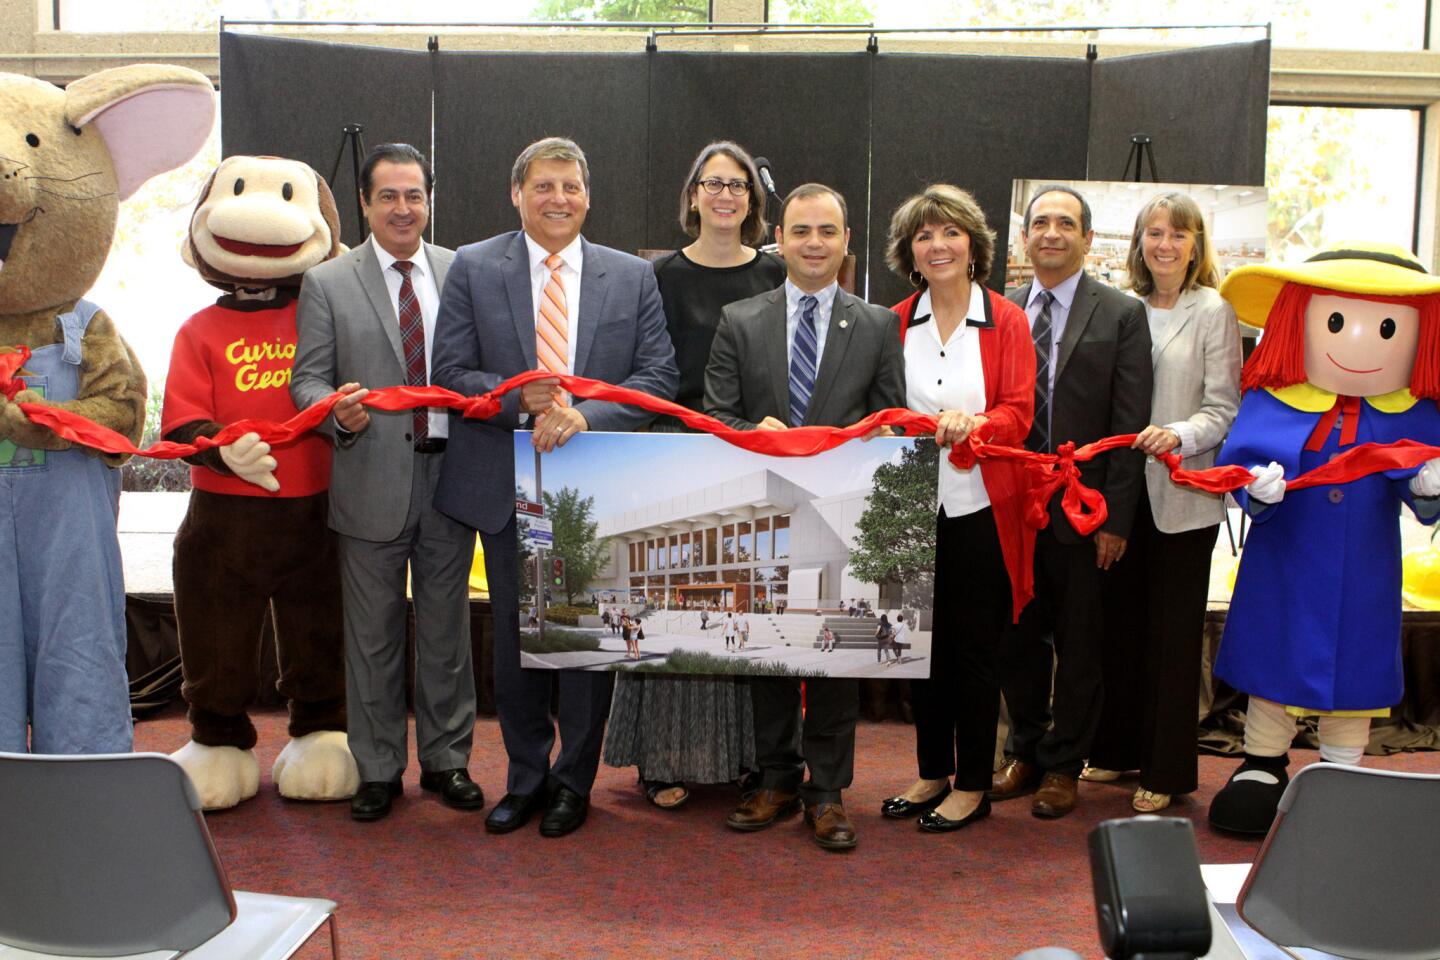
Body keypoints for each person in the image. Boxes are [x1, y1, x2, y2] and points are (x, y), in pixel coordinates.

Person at [430, 136, 678, 838]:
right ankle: (525, 778)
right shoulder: (476, 267)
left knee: (585, 649)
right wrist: (519, 400)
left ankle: (574, 784)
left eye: (571, 186)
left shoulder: (631, 277)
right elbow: (450, 376)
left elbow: (658, 380)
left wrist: (583, 414)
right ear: (517, 194)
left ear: (588, 197)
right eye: (543, 186)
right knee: (517, 650)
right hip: (503, 486)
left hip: (597, 490)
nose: (559, 198)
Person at [706, 182, 906, 851]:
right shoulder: (740, 320)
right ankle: (774, 779)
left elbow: (891, 418)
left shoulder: (878, 326)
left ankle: (827, 792)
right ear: (779, 241)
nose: (814, 244)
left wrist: (872, 439)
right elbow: (715, 418)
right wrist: (749, 431)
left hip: (843, 517)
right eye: (800, 231)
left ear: (847, 242)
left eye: (827, 231)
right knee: (765, 653)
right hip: (761, 513)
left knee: (834, 658)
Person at [291, 143, 482, 822]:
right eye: (389, 196)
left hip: (450, 480)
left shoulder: (464, 272)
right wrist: (333, 411)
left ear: (429, 201)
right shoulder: (328, 283)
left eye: (415, 195)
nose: (404, 208)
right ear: (366, 204)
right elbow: (305, 381)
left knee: (446, 632)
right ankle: (376, 770)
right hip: (369, 476)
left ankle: (447, 761)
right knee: (371, 638)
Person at [877, 185, 1037, 833]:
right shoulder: (890, 323)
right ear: (909, 253)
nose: (937, 245)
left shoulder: (1008, 321)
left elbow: (1020, 415)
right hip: (908, 506)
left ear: (974, 245)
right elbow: (879, 409)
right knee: (916, 647)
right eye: (924, 236)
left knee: (973, 652)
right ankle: (930, 772)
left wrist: (978, 423)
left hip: (981, 509)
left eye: (949, 233)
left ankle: (973, 783)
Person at [991, 184, 1152, 819]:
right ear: (1023, 237)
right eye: (1040, 222)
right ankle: (1024, 751)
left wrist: (1116, 517)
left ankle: (1065, 765)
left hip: (1084, 511)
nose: (1051, 232)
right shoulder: (999, 312)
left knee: (1081, 645)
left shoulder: (1120, 313)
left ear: (1087, 239)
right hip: (1009, 506)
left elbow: (1130, 421)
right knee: (1017, 642)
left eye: (1066, 223)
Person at [1083, 192, 1242, 813]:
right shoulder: (1122, 309)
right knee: (1118, 631)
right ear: (1139, 244)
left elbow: (1223, 407)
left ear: (1196, 244)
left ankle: (1167, 769)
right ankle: (1118, 749)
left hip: (1183, 499)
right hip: (1119, 497)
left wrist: (1179, 434)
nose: (1165, 245)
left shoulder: (1214, 311)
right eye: (1154, 233)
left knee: (1173, 639)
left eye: (1178, 234)